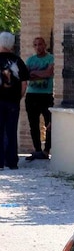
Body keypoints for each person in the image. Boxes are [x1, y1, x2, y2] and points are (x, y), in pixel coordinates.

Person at [0, 32, 29, 170]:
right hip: (13, 101)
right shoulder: (18, 61)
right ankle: (12, 161)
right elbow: (24, 84)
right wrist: (19, 97)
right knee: (11, 130)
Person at [25, 36, 53, 161]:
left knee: (49, 124)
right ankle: (37, 150)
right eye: (35, 45)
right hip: (32, 95)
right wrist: (41, 74)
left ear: (45, 45)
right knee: (33, 124)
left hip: (46, 95)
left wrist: (34, 73)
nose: (38, 47)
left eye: (40, 44)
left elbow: (49, 73)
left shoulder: (51, 58)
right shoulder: (30, 60)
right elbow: (26, 75)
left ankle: (46, 150)